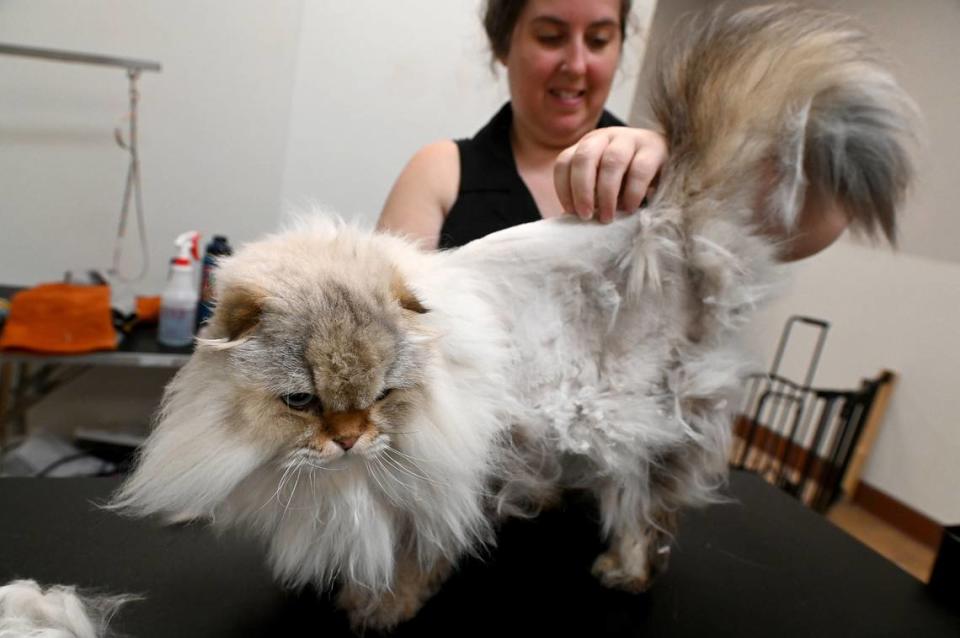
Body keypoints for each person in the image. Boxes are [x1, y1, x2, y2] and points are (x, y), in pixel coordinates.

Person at [377, 0, 852, 260]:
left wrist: (684, 161)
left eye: (600, 39)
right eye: (550, 37)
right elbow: (385, 331)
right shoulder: (441, 171)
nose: (577, 63)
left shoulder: (665, 175)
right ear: (504, 45)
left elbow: (818, 225)